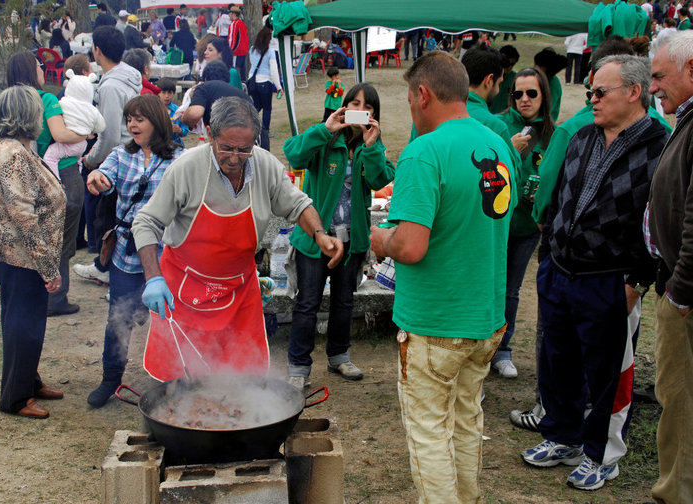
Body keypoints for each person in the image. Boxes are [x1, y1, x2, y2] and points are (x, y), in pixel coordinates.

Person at [369, 51, 516, 504]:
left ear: (423, 94)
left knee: (430, 432)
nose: (412, 111)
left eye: (411, 101)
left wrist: (382, 241)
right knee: (468, 421)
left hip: (436, 321)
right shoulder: (498, 145)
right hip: (486, 317)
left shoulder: (424, 151)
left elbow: (411, 246)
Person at [520, 55, 668, 491]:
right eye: (590, 92)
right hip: (561, 271)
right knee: (558, 361)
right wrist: (549, 258)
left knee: (607, 375)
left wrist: (636, 283)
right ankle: (562, 435)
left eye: (601, 92)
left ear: (634, 93)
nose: (592, 99)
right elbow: (561, 200)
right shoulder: (584, 135)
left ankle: (602, 454)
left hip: (611, 279)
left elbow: (658, 222)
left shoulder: (659, 145)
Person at [131, 97, 344, 382]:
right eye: (227, 147)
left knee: (243, 379)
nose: (235, 157)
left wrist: (319, 235)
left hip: (238, 290)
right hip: (185, 289)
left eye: (244, 149)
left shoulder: (266, 166)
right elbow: (146, 222)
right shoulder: (186, 169)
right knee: (183, 381)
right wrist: (153, 278)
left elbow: (297, 205)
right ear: (210, 135)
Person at [285, 83, 395, 390]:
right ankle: (298, 366)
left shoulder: (369, 146)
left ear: (374, 115)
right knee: (307, 302)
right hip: (316, 236)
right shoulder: (325, 137)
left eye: (367, 106)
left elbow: (380, 178)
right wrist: (325, 127)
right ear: (343, 107)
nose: (360, 109)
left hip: (352, 239)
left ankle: (339, 356)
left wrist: (372, 147)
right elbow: (293, 154)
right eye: (354, 103)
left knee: (344, 301)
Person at [84, 95, 184, 407]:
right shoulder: (120, 155)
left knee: (169, 318)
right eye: (129, 119)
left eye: (139, 119)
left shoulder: (179, 159)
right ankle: (111, 379)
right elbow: (104, 176)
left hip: (165, 252)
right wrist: (96, 177)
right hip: (125, 252)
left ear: (157, 121)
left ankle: (174, 381)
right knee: (120, 316)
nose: (132, 125)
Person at [0, 85, 66, 419]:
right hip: (19, 254)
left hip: (4, 250)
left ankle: (29, 380)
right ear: (29, 116)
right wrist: (48, 268)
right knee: (23, 323)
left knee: (23, 319)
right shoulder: (12, 154)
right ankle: (15, 398)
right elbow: (23, 215)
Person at [647, 30, 693, 504]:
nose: (654, 86)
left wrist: (680, 289)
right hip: (678, 287)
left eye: (660, 75)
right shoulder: (687, 118)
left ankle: (676, 494)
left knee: (680, 401)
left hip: (684, 297)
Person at [6, 52, 87, 316]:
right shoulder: (47, 99)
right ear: (33, 71)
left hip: (22, 177)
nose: (43, 70)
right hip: (58, 175)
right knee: (61, 239)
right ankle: (56, 299)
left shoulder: (7, 103)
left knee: (33, 236)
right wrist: (89, 132)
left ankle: (33, 296)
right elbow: (59, 134)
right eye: (40, 66)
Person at [491, 68, 555, 380]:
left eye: (532, 93)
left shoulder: (553, 134)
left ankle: (503, 350)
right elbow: (491, 177)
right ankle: (481, 347)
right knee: (490, 284)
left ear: (544, 95)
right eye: (518, 93)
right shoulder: (501, 127)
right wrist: (510, 153)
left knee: (511, 289)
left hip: (528, 227)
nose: (524, 99)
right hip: (497, 223)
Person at [76, 26, 142, 286]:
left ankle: (104, 267)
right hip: (131, 151)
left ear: (97, 50)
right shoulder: (129, 75)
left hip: (118, 156)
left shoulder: (111, 86)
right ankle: (107, 265)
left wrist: (90, 160)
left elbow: (110, 134)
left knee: (106, 215)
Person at [461, 46, 520, 161]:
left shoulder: (434, 113)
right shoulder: (496, 127)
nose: (498, 90)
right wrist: (514, 151)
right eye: (499, 83)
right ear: (489, 80)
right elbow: (508, 174)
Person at [44, 69, 105, 173]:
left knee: (49, 156)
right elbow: (101, 127)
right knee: (77, 160)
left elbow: (55, 114)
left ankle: (56, 180)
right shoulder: (92, 109)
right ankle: (79, 167)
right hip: (82, 145)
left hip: (69, 143)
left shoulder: (63, 103)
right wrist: (91, 130)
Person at [183, 61, 250, 128]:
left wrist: (184, 118)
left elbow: (194, 115)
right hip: (247, 130)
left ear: (205, 79)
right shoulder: (241, 93)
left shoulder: (203, 87)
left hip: (225, 132)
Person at [247, 26, 282, 151]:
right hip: (264, 81)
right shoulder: (270, 52)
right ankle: (265, 132)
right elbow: (273, 70)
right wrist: (278, 86)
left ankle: (251, 124)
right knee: (267, 108)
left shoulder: (252, 49)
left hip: (252, 80)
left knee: (257, 105)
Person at [534, 48, 567, 122]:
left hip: (544, 123)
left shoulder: (553, 84)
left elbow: (546, 109)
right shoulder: (537, 79)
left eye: (537, 68)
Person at [157, 78, 189, 145]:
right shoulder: (153, 109)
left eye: (169, 93)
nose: (167, 96)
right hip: (158, 144)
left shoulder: (178, 110)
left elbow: (185, 131)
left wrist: (179, 130)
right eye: (163, 92)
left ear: (174, 93)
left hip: (175, 144)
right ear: (158, 93)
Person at [489, 45, 520, 114]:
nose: (509, 67)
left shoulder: (515, 78)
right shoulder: (491, 75)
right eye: (507, 63)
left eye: (512, 64)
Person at [228, 6, 249, 81]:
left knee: (234, 70)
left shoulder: (234, 24)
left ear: (233, 14)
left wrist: (230, 50)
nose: (229, 16)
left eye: (230, 14)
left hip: (236, 51)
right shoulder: (242, 23)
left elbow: (232, 39)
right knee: (243, 71)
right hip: (244, 50)